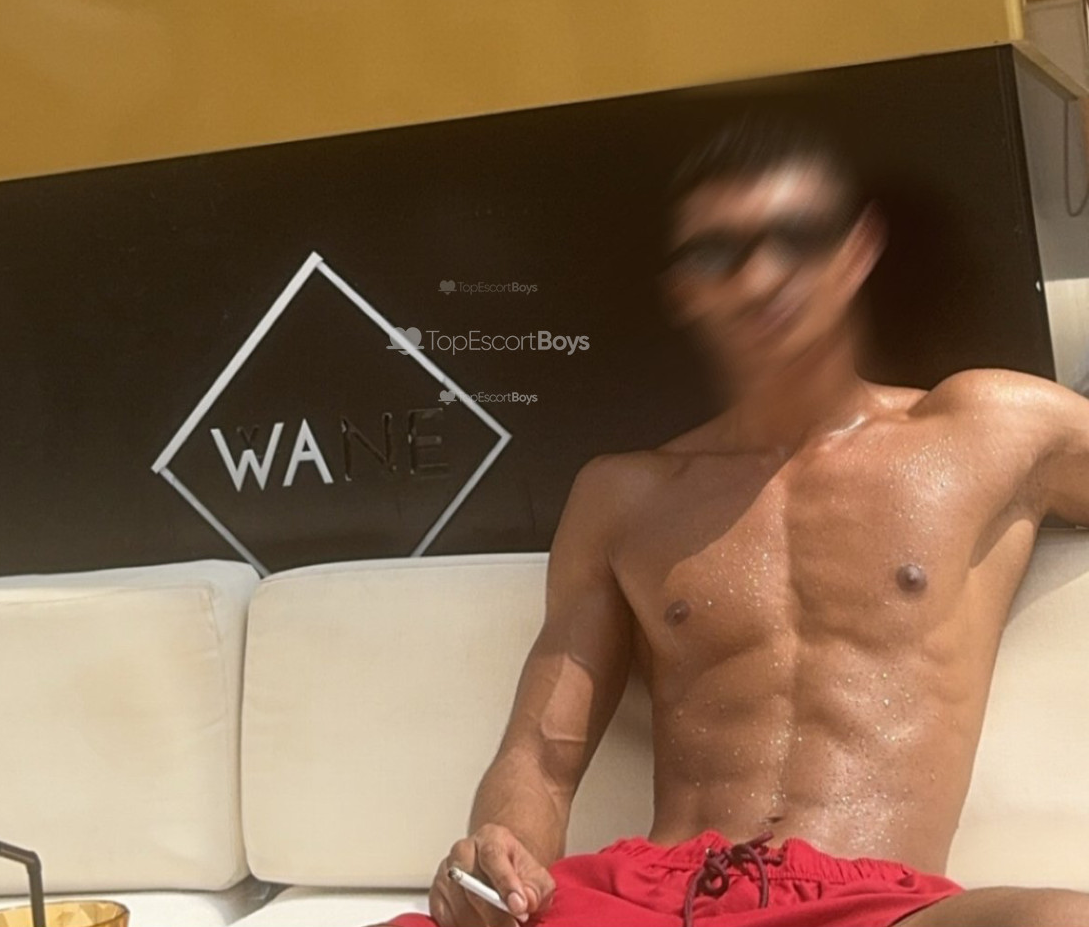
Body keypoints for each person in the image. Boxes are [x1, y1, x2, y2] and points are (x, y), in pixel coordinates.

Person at [368, 109, 1089, 927]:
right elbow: (539, 758)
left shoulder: (990, 432)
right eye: (719, 253)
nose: (762, 277)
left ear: (855, 252)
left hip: (877, 907)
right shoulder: (625, 498)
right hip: (655, 900)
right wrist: (499, 856)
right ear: (686, 289)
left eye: (797, 238)